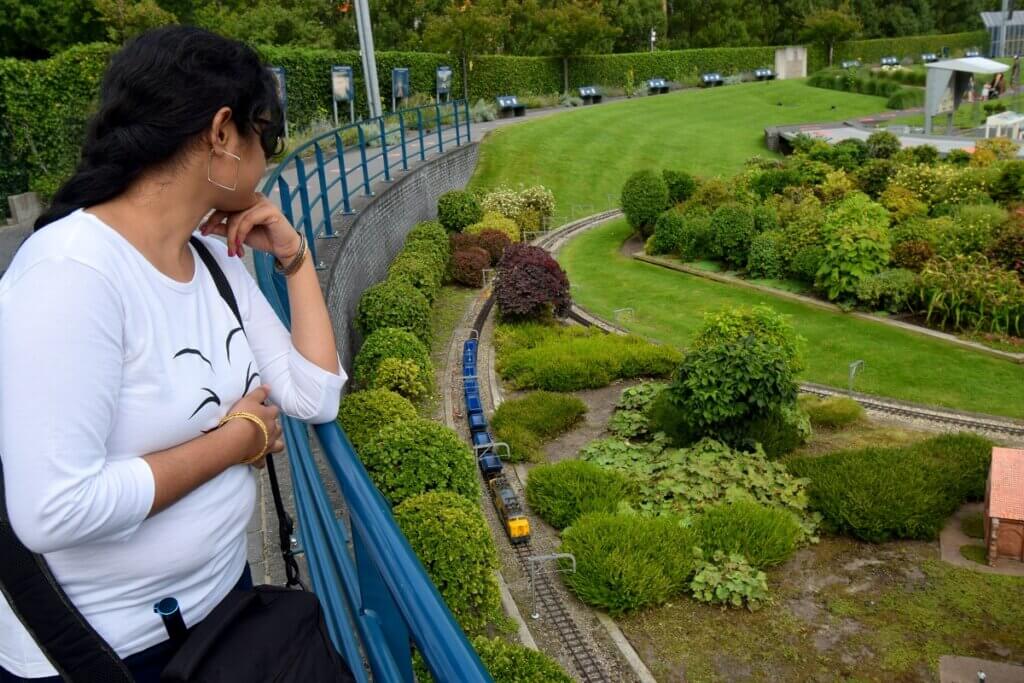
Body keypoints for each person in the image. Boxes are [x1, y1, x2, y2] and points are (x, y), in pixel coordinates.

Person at [0, 26, 346, 682]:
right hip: (107, 655)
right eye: (263, 138)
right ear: (222, 133)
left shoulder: (213, 260)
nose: (267, 161)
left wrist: (296, 260)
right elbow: (53, 508)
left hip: (225, 610)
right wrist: (238, 438)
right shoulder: (72, 275)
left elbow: (314, 393)